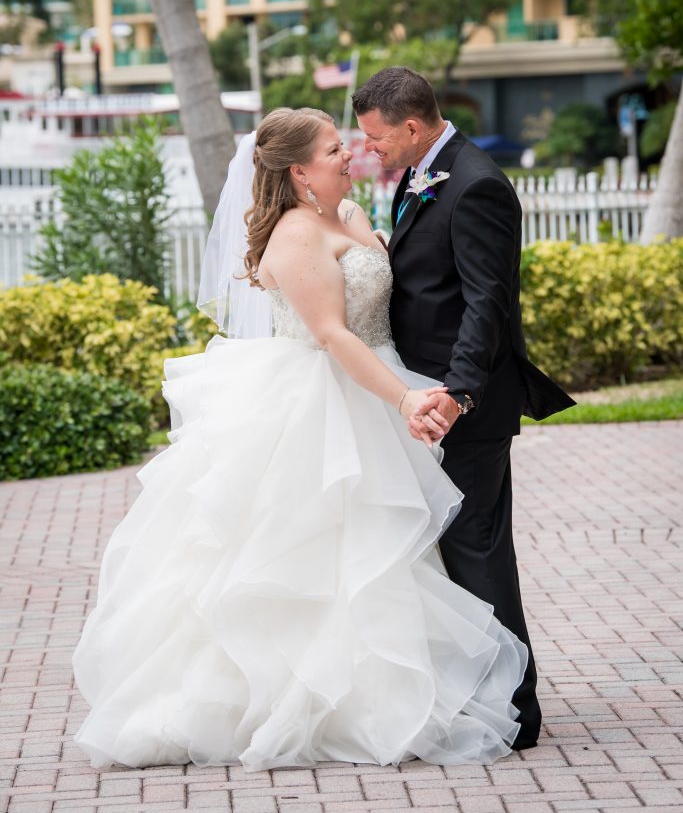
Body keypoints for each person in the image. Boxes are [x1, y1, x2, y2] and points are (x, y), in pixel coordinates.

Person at [72, 106, 528, 772]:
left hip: (378, 384)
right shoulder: (293, 236)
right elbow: (333, 334)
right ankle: (308, 701)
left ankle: (412, 686)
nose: (351, 154)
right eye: (335, 148)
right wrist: (403, 397)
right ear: (299, 171)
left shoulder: (346, 218)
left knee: (391, 553)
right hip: (323, 399)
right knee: (319, 555)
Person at [352, 68, 575, 751]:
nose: (370, 150)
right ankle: (481, 691)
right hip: (424, 393)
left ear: (412, 127)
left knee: (475, 549)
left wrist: (457, 391)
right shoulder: (426, 170)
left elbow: (487, 301)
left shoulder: (475, 183)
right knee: (454, 550)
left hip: (463, 404)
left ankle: (514, 712)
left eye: (377, 137)